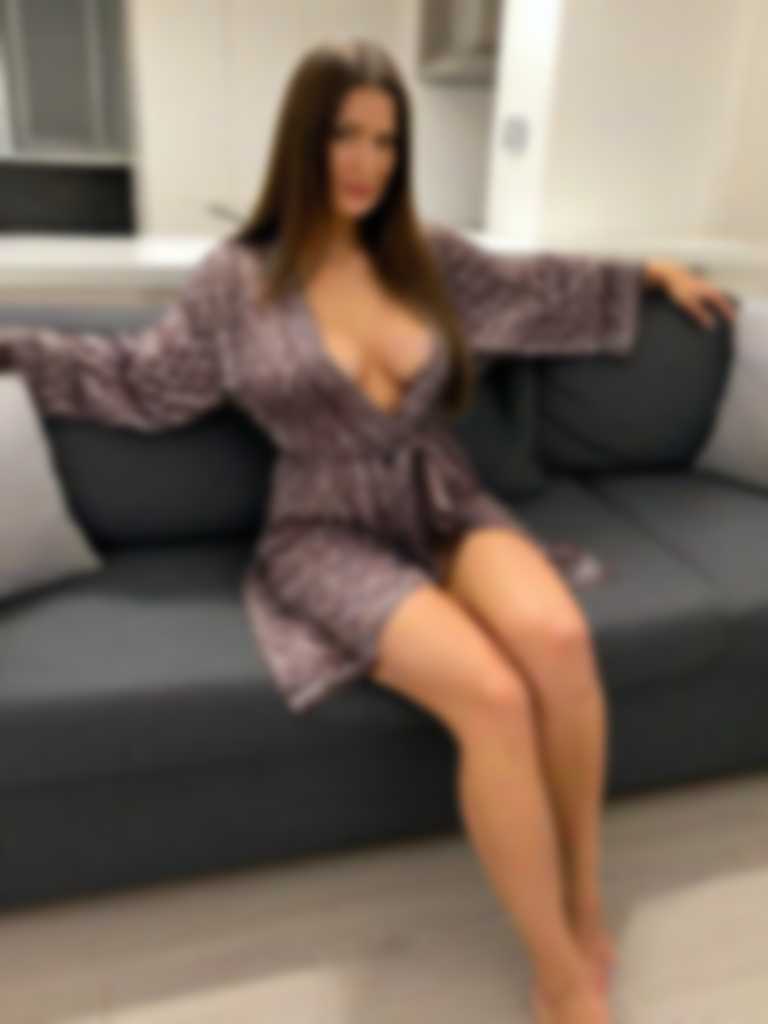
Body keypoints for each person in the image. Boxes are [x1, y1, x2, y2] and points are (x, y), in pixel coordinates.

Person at [0, 36, 736, 1024]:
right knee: (492, 696)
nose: (366, 162)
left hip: (442, 497)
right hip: (326, 530)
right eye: (345, 135)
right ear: (303, 140)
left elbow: (542, 290)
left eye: (387, 142)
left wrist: (651, 274)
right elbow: (141, 381)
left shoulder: (426, 256)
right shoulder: (236, 280)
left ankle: (585, 896)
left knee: (559, 640)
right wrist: (14, 346)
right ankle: (558, 970)